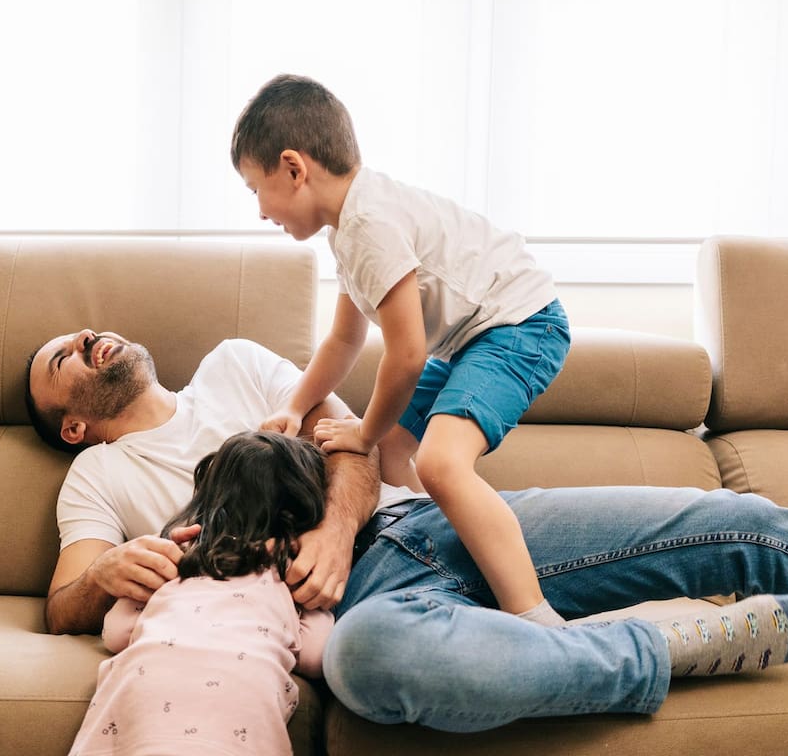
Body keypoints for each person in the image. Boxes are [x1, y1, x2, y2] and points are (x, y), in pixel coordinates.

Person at [28, 328, 788, 733]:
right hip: (367, 618)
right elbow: (65, 599)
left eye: (83, 331)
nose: (87, 339)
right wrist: (111, 568)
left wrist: (332, 528)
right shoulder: (97, 476)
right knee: (368, 671)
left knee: (746, 524)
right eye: (60, 358)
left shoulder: (237, 366)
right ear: (71, 421)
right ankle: (658, 650)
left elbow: (356, 449)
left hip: (437, 529)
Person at [231, 73, 571, 626]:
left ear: (294, 169)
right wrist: (296, 406)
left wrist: (361, 431)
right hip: (476, 334)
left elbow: (408, 355)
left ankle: (534, 615)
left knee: (438, 461)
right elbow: (346, 337)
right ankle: (436, 556)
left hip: (521, 324)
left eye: (255, 191)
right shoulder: (348, 229)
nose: (261, 212)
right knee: (392, 447)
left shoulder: (368, 224)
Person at [67, 430, 334, 756]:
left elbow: (116, 633)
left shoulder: (175, 557)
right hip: (241, 694)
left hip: (147, 686)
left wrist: (137, 601)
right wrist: (315, 609)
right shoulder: (288, 571)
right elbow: (315, 656)